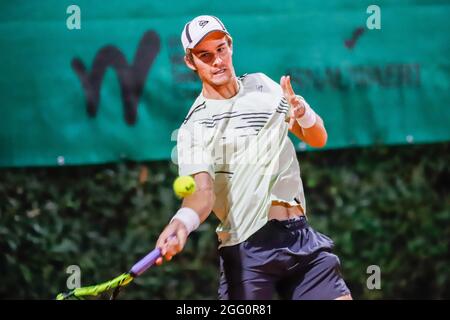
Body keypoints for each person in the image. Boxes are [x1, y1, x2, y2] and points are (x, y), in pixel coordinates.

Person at [156, 15, 352, 300]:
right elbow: (202, 194)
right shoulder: (194, 127)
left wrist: (303, 113)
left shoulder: (263, 86)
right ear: (190, 62)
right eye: (205, 55)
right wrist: (181, 223)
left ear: (230, 46)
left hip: (301, 238)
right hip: (249, 252)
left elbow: (318, 138)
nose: (217, 61)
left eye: (220, 49)